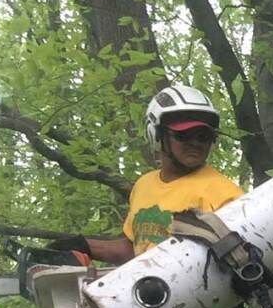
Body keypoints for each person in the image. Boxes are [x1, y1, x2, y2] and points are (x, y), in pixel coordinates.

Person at [58, 82, 242, 265]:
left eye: (203, 136)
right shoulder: (144, 185)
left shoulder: (225, 194)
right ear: (156, 135)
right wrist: (85, 246)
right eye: (183, 135)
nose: (195, 143)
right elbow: (135, 247)